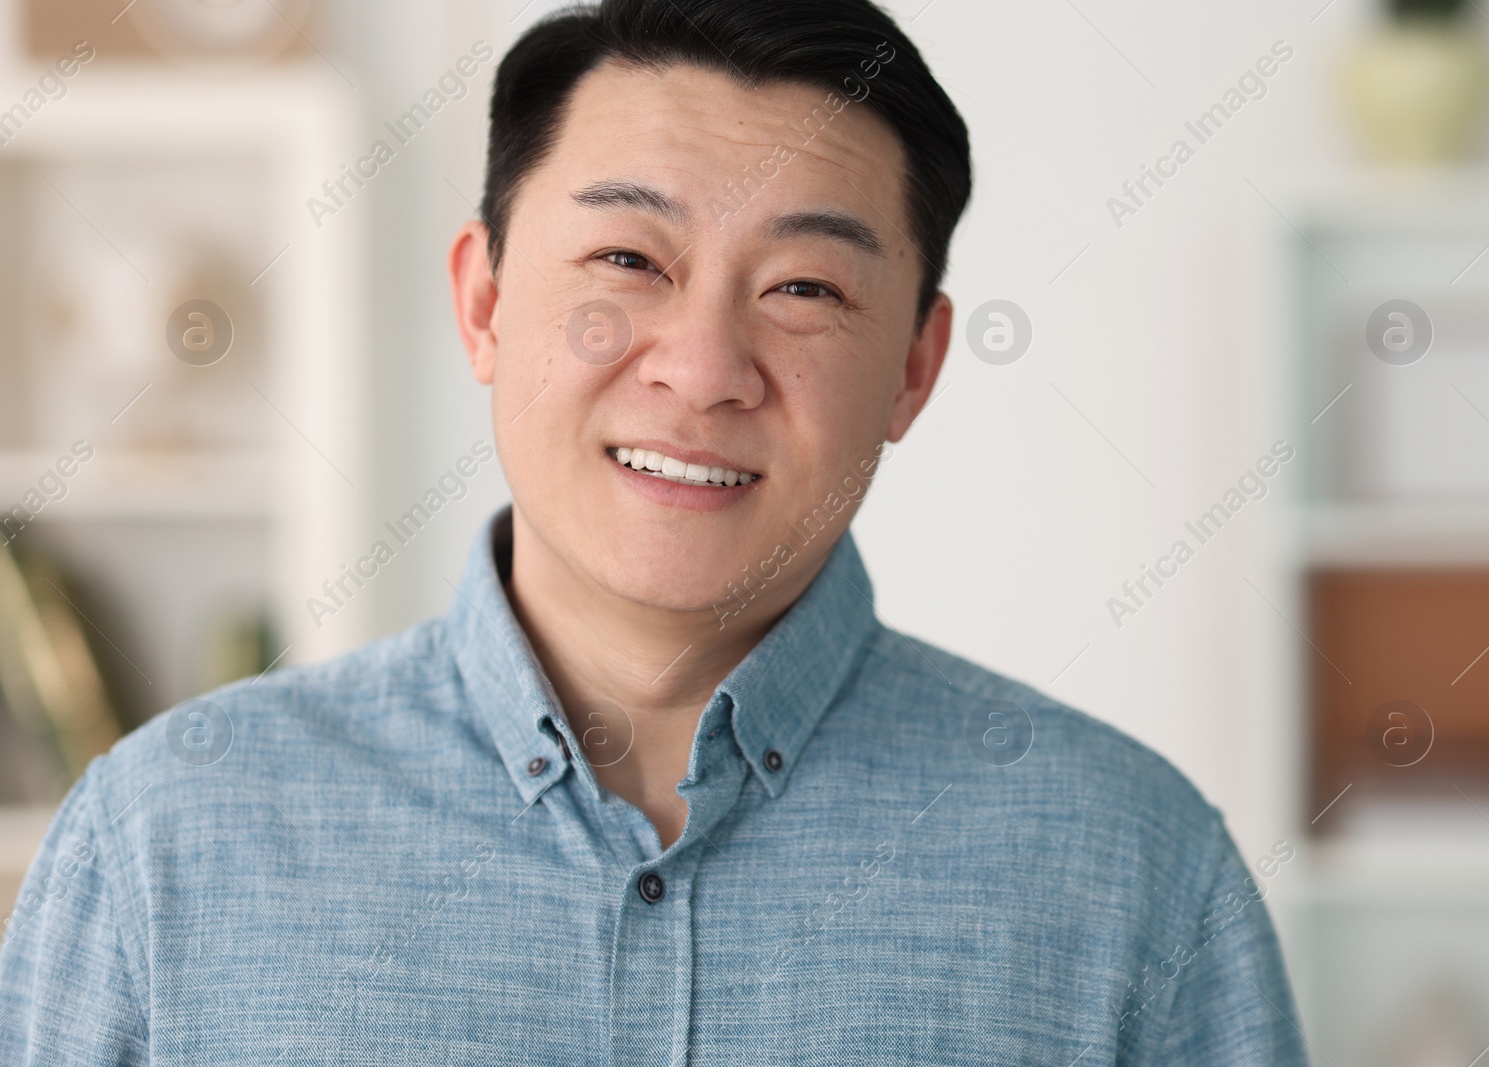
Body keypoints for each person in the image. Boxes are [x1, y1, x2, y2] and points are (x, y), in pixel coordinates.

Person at [0, 0, 1308, 1062]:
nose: (702, 368)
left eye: (804, 287)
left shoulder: (1133, 875)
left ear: (916, 367)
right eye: (629, 261)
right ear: (484, 305)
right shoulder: (163, 844)